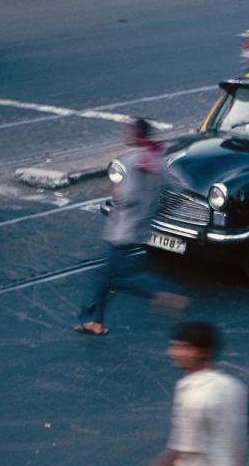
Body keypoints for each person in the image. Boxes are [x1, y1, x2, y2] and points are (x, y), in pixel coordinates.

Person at [113, 321, 247, 466]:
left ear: (202, 352)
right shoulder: (232, 387)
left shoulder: (193, 395)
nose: (172, 352)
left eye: (183, 348)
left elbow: (179, 450)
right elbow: (235, 443)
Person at [73, 118, 189, 336]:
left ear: (137, 134)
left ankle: (164, 292)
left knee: (118, 278)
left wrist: (116, 193)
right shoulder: (158, 158)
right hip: (137, 228)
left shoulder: (136, 160)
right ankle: (91, 320)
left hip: (123, 230)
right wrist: (160, 208)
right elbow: (179, 186)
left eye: (128, 131)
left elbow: (128, 195)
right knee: (105, 276)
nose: (125, 134)